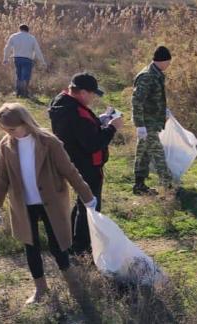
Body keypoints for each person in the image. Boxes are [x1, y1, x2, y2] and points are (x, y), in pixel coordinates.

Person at [0, 103, 96, 305]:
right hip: (23, 204)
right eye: (4, 129)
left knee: (58, 247)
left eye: (11, 129)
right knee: (31, 247)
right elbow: (0, 177)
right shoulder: (6, 145)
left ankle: (74, 287)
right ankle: (41, 289)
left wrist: (87, 196)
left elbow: (69, 171)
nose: (8, 133)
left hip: (51, 203)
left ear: (25, 122)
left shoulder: (49, 142)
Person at [48, 73, 123, 255]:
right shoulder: (77, 112)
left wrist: (99, 121)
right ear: (82, 92)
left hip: (72, 161)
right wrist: (112, 127)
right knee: (91, 205)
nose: (93, 97)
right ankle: (83, 248)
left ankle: (73, 241)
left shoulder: (61, 102)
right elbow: (93, 143)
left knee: (82, 202)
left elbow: (81, 130)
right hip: (88, 164)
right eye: (92, 94)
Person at [131, 46, 173, 195]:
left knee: (144, 153)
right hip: (146, 123)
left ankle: (139, 185)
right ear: (162, 61)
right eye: (168, 62)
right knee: (158, 152)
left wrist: (164, 111)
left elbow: (154, 99)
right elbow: (137, 101)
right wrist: (140, 125)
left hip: (152, 121)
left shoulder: (156, 74)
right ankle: (169, 186)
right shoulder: (147, 76)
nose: (169, 65)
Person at [3, 24, 47, 98]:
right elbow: (37, 50)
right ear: (27, 30)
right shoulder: (32, 38)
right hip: (27, 59)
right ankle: (24, 93)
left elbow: (7, 48)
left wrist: (5, 59)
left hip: (17, 58)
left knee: (18, 75)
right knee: (25, 76)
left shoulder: (14, 36)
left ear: (20, 29)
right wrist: (42, 61)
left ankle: (18, 92)